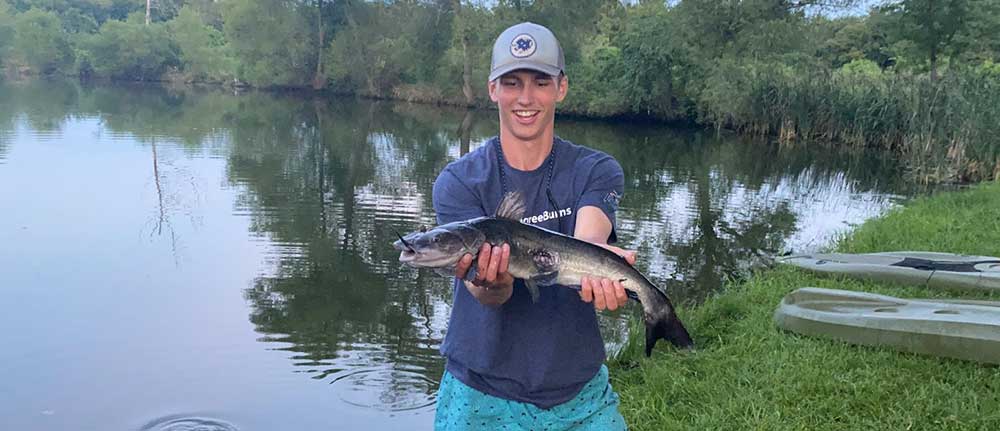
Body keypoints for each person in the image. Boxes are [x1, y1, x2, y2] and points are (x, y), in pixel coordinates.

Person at [432, 22, 633, 430]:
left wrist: (598, 272)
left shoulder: (597, 169)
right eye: (512, 82)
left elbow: (588, 238)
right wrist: (494, 282)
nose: (525, 98)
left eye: (540, 82)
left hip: (579, 394)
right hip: (479, 392)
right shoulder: (458, 182)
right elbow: (485, 293)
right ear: (493, 89)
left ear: (561, 87)